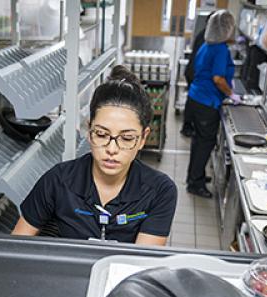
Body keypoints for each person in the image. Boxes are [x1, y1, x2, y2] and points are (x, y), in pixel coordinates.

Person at [11, 66, 177, 246]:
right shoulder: (57, 181)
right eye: (101, 134)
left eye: (127, 138)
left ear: (143, 138)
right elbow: (15, 247)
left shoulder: (159, 191)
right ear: (89, 131)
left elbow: (140, 263)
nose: (112, 149)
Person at [184, 10, 240, 199]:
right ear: (226, 29)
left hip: (196, 97)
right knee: (205, 143)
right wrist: (232, 94)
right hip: (206, 102)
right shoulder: (220, 49)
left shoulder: (207, 45)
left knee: (198, 141)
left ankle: (194, 176)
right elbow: (217, 78)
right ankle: (195, 183)